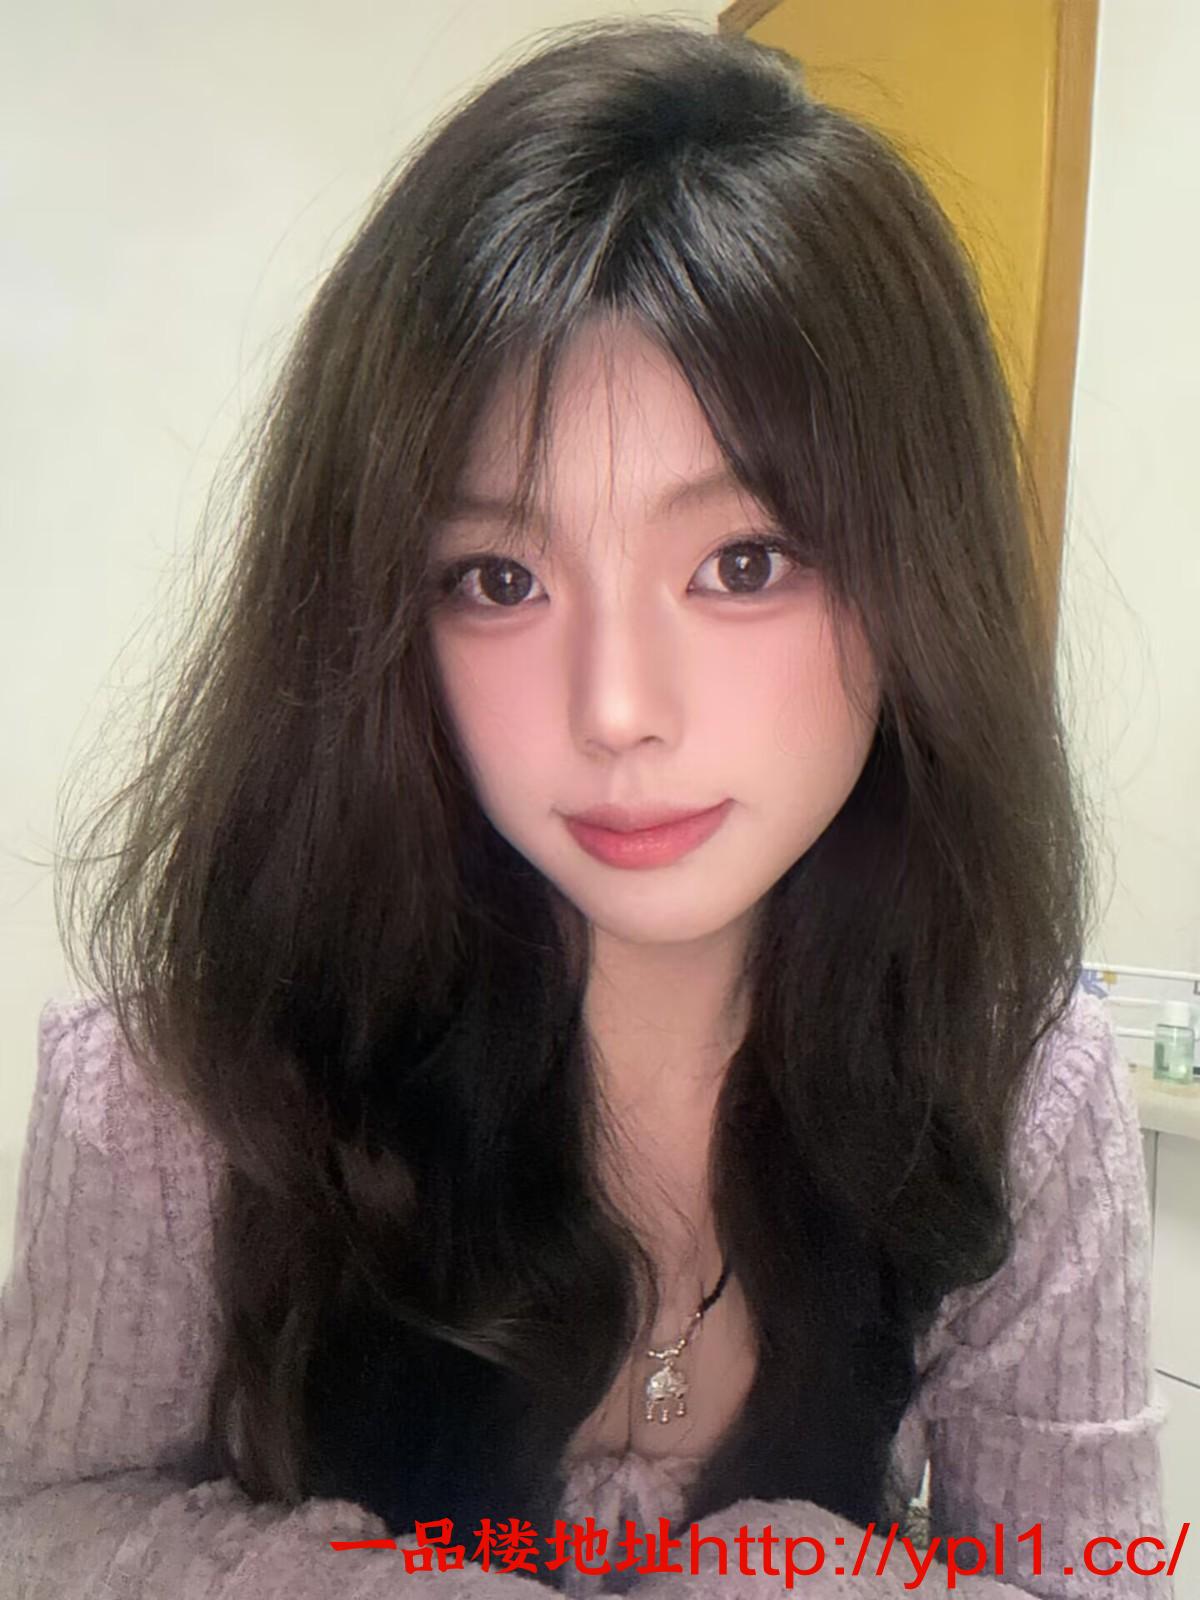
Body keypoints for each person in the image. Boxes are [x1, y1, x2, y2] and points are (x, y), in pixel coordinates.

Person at [0, 17, 1171, 1600]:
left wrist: (783, 1573)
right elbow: (41, 1527)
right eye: (499, 578)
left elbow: (1092, 1569)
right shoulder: (174, 1098)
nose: (616, 707)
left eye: (744, 562)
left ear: (919, 578)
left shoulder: (1017, 1089)